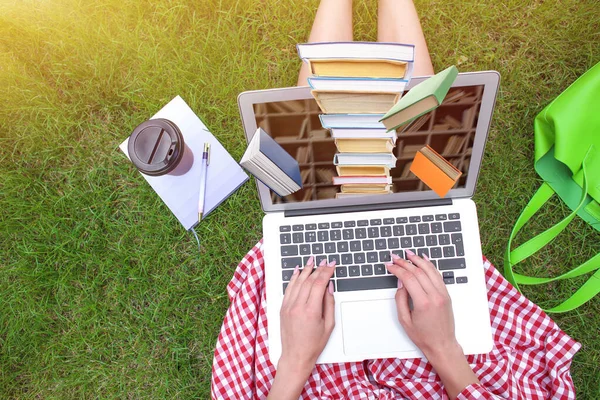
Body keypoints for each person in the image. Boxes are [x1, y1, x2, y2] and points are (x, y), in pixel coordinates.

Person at [210, 0, 580, 398]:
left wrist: (296, 360)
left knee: (307, 191)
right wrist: (443, 347)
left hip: (299, 377)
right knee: (423, 174)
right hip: (441, 368)